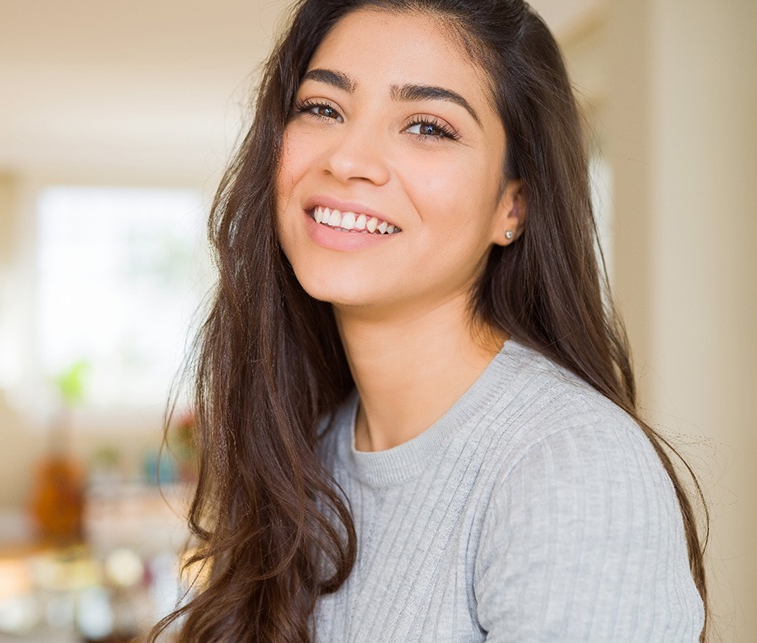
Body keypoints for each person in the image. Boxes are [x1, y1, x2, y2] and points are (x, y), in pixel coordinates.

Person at [150, 0, 708, 641]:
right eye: (323, 108)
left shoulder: (569, 469)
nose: (348, 159)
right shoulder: (304, 451)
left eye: (427, 127)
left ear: (513, 205)